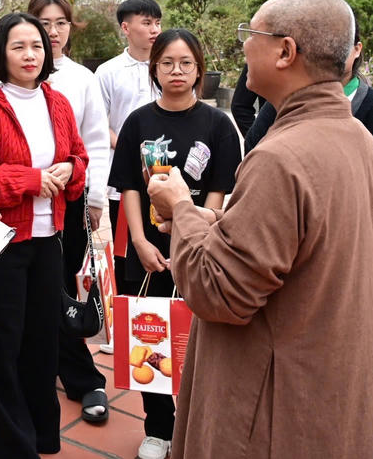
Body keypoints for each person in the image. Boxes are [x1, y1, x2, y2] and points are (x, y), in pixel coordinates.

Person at [146, 0, 373, 458]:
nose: (243, 45)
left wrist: (180, 206)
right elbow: (300, 245)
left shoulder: (283, 156)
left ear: (285, 51)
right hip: (333, 382)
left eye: (251, 33)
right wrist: (214, 221)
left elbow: (219, 291)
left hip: (276, 409)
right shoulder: (356, 135)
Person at [109, 28, 240, 459]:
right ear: (155, 69)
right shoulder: (138, 122)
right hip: (148, 253)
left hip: (200, 250)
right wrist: (142, 243)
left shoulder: (218, 124)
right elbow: (128, 187)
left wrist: (199, 240)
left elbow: (220, 189)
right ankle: (157, 429)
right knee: (151, 332)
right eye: (167, 63)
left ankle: (196, 426)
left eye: (186, 63)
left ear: (199, 70)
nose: (177, 71)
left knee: (199, 339)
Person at [0, 12, 88, 458]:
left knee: (43, 342)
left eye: (37, 45)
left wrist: (70, 169)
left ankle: (42, 435)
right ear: (1, 51)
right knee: (2, 347)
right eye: (19, 46)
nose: (30, 54)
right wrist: (31, 180)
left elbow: (78, 159)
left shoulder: (57, 102)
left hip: (48, 242)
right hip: (1, 245)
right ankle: (12, 447)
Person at [27, 0, 113, 425]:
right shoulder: (4, 81)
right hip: (21, 205)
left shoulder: (82, 79)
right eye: (44, 23)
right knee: (32, 293)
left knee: (60, 288)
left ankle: (79, 378)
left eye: (61, 23)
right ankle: (47, 375)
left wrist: (94, 198)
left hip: (71, 201)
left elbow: (96, 141)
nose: (53, 32)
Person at [95, 0, 162, 351]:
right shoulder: (107, 72)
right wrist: (130, 146)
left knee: (164, 246)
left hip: (167, 180)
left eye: (157, 23)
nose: (154, 30)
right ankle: (122, 326)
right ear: (126, 27)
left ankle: (163, 321)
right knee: (125, 252)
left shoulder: (168, 65)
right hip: (125, 181)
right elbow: (98, 124)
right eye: (146, 23)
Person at [244, 0, 373, 151]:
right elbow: (253, 143)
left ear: (357, 49)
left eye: (337, 43)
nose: (328, 50)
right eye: (322, 42)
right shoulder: (282, 101)